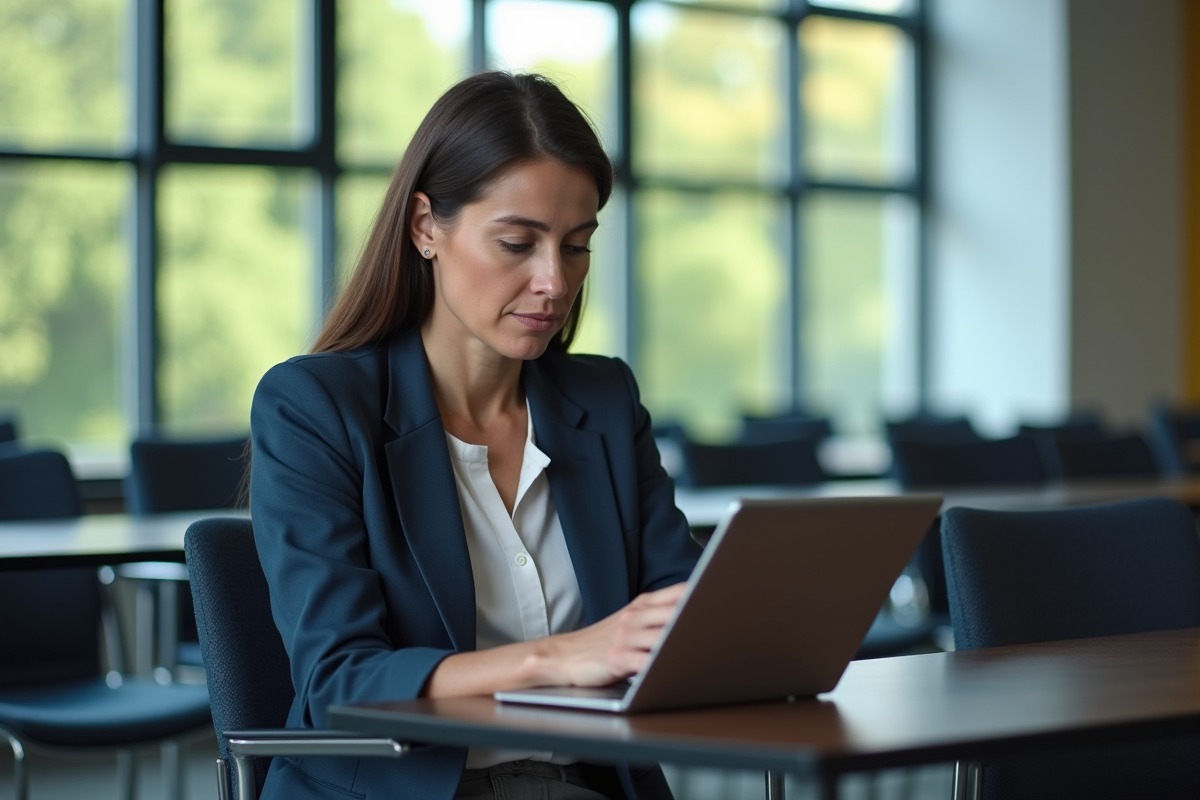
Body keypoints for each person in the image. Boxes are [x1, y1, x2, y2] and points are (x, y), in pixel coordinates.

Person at [250, 71, 702, 800]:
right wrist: (555, 658)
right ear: (426, 226)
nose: (554, 281)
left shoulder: (605, 400)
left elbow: (681, 611)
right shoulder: (314, 407)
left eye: (577, 246)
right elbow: (341, 679)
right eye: (518, 243)